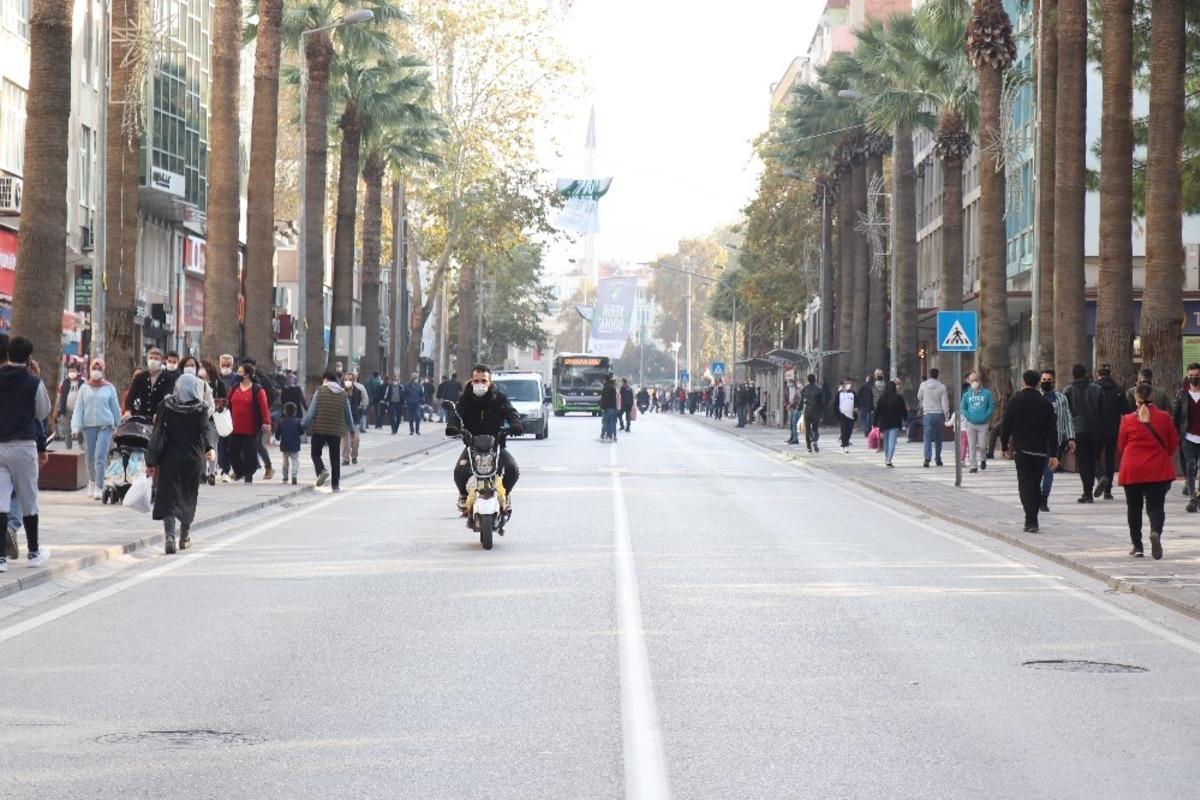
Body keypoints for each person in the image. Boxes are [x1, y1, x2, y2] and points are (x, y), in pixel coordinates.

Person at [147, 374, 215, 554]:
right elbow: (205, 430)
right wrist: (210, 448)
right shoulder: (201, 408)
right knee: (187, 495)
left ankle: (170, 536)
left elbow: (157, 432)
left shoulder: (166, 405)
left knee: (168, 496)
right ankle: (184, 537)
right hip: (192, 459)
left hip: (170, 457)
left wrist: (151, 460)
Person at [0, 335, 52, 571]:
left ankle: (0, 558)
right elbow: (42, 411)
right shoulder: (33, 382)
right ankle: (33, 551)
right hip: (23, 445)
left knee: (0, 501)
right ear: (29, 357)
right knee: (28, 499)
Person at [447, 365, 523, 513]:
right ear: (471, 381)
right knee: (459, 471)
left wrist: (516, 424)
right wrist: (453, 427)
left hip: (496, 445)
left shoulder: (499, 397)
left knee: (513, 469)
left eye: (484, 380)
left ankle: (505, 496)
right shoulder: (464, 399)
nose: (480, 384)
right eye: (476, 381)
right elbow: (455, 416)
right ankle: (463, 496)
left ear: (490, 382)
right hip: (472, 444)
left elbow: (511, 412)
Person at [1119, 383, 1178, 559]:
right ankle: (1155, 532)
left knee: (1134, 508)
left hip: (1133, 469)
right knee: (1156, 506)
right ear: (1153, 397)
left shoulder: (1128, 420)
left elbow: (1121, 445)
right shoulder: (1165, 417)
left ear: (1135, 399)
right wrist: (1162, 455)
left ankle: (1137, 546)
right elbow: (1173, 443)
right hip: (1157, 469)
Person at [1000, 370, 1060, 533]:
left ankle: (1031, 519)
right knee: (1035, 483)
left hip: (1022, 449)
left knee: (1025, 484)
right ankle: (1033, 518)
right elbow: (1053, 430)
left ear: (1023, 381)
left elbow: (1006, 425)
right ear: (1038, 383)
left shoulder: (1016, 400)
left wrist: (1004, 445)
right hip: (1040, 450)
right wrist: (1054, 453)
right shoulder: (1045, 403)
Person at [71, 357, 123, 499]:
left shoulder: (109, 388)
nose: (96, 372)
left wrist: (119, 425)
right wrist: (75, 426)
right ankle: (92, 481)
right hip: (89, 426)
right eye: (94, 368)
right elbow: (78, 409)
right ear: (89, 369)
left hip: (105, 425)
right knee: (89, 457)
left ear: (103, 370)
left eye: (99, 369)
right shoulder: (84, 388)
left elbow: (115, 407)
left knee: (100, 456)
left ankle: (99, 486)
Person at [302, 370, 354, 492]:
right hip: (336, 431)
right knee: (335, 458)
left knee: (315, 453)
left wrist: (303, 426)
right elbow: (348, 414)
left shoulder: (319, 391)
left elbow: (311, 412)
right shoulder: (343, 394)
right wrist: (351, 429)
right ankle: (335, 485)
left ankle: (321, 470)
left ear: (325, 379)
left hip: (320, 428)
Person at [1063, 363, 1104, 503]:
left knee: (1083, 462)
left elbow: (1066, 412)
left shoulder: (1068, 390)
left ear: (1073, 375)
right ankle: (1100, 475)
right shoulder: (1097, 389)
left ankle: (1087, 492)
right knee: (1093, 458)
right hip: (1096, 429)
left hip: (1077, 430)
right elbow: (1104, 410)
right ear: (1086, 374)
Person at [1037, 369, 1076, 513]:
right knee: (1037, 472)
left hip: (1054, 440)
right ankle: (1035, 496)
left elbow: (1067, 417)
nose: (1046, 382)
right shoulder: (1036, 397)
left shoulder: (1061, 398)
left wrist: (1071, 437)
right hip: (1037, 440)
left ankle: (1044, 498)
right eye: (1044, 379)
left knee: (1049, 471)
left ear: (1054, 381)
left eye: (1049, 380)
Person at [226, 363, 271, 483]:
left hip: (251, 427)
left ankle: (248, 474)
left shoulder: (257, 390)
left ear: (247, 375)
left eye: (240, 372)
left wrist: (266, 422)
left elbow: (264, 407)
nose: (238, 374)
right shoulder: (234, 388)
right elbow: (227, 403)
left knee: (250, 452)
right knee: (232, 451)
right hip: (234, 427)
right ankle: (239, 471)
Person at [1094, 364, 1126, 499]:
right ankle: (1108, 491)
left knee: (1093, 456)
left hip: (1096, 428)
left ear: (1098, 374)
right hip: (1113, 428)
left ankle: (1101, 475)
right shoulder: (1118, 389)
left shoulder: (1094, 388)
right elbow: (1125, 410)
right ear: (1110, 373)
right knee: (1110, 458)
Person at [242, 359, 276, 480]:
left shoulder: (262, 379)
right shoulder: (241, 379)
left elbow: (272, 394)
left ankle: (268, 467)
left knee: (257, 443)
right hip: (243, 415)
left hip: (258, 416)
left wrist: (264, 408)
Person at [1173, 363, 1200, 512]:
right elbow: (1176, 415)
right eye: (1191, 376)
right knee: (1191, 467)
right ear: (1187, 376)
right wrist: (1177, 433)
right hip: (1188, 437)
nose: (1194, 378)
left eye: (1197, 376)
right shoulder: (1182, 394)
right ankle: (1192, 497)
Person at [125, 347, 177, 421]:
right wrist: (128, 411)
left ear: (162, 361)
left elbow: (168, 397)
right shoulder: (140, 377)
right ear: (147, 359)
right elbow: (131, 396)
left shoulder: (169, 378)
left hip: (160, 419)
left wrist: (161, 413)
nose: (153, 361)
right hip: (140, 417)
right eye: (151, 358)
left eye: (156, 359)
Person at [960, 372, 995, 473]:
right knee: (971, 446)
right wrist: (969, 417)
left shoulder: (987, 393)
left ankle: (983, 459)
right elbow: (963, 408)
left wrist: (986, 416)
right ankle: (973, 466)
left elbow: (991, 406)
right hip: (970, 424)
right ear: (969, 382)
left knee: (983, 446)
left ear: (979, 381)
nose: (974, 382)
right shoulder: (966, 395)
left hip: (983, 424)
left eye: (976, 380)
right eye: (972, 381)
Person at [917, 368, 950, 467]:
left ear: (929, 375)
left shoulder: (923, 385)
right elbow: (945, 402)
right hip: (939, 413)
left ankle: (927, 459)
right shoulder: (942, 387)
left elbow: (919, 397)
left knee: (927, 437)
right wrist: (947, 415)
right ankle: (938, 458)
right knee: (938, 437)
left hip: (927, 413)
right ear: (937, 375)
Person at [874, 379, 908, 467]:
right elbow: (904, 410)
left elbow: (877, 411)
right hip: (895, 423)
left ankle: (886, 458)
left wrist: (874, 423)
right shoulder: (899, 398)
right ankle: (889, 459)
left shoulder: (882, 398)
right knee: (892, 442)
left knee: (886, 441)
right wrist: (905, 418)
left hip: (884, 423)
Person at [53, 362, 83, 450]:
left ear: (77, 371)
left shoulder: (82, 382)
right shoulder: (64, 382)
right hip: (67, 409)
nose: (71, 373)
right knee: (67, 430)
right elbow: (59, 396)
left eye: (73, 370)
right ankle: (68, 449)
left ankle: (81, 445)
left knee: (81, 430)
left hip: (79, 410)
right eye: (69, 371)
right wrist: (57, 408)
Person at [341, 371, 366, 465]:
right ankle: (345, 458)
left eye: (350, 380)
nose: (348, 381)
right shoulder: (341, 392)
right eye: (346, 379)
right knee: (345, 440)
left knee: (356, 439)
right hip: (344, 419)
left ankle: (354, 456)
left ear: (353, 380)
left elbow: (360, 403)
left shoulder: (358, 391)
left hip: (355, 419)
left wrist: (359, 410)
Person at [278, 402, 302, 485]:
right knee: (295, 460)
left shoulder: (281, 421)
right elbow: (301, 432)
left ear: (284, 411)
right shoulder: (298, 421)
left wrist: (277, 437)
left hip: (284, 445)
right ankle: (294, 474)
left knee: (285, 461)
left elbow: (277, 433)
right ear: (295, 412)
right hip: (295, 445)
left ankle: (285, 476)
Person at [800, 373, 825, 453]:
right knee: (815, 429)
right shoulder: (819, 389)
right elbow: (822, 402)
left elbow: (801, 401)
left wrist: (799, 409)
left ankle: (809, 448)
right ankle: (814, 440)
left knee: (807, 430)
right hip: (816, 412)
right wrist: (822, 413)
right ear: (815, 380)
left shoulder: (804, 389)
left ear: (808, 380)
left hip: (807, 411)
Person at [836, 378, 857, 453]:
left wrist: (856, 408)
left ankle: (845, 442)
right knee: (844, 431)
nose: (848, 385)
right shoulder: (839, 394)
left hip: (851, 415)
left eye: (849, 383)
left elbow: (856, 403)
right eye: (846, 383)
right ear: (843, 385)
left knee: (849, 431)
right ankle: (845, 445)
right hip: (842, 415)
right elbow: (836, 405)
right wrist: (838, 415)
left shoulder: (853, 393)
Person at [600, 375, 619, 442]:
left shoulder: (606, 387)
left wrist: (602, 407)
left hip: (608, 407)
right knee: (611, 422)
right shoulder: (612, 387)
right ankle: (611, 436)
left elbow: (605, 398)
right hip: (613, 407)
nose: (602, 381)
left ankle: (604, 436)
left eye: (603, 380)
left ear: (605, 380)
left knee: (605, 422)